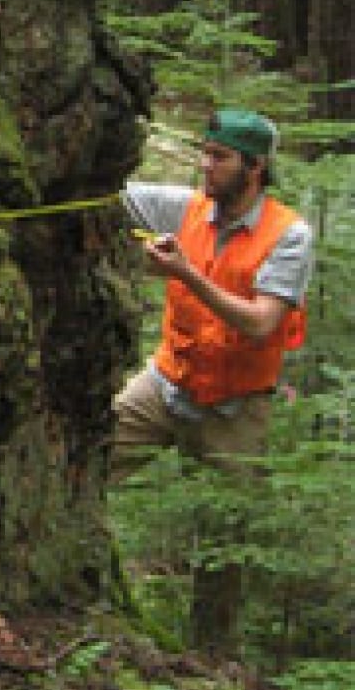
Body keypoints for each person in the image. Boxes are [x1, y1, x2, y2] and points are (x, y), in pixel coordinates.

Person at [111, 107, 313, 645]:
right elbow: (112, 196)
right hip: (166, 383)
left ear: (255, 168)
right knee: (91, 452)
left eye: (220, 157)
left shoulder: (288, 235)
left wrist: (185, 274)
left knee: (224, 551)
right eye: (205, 153)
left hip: (237, 409)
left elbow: (261, 321)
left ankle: (209, 658)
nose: (206, 165)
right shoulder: (186, 209)